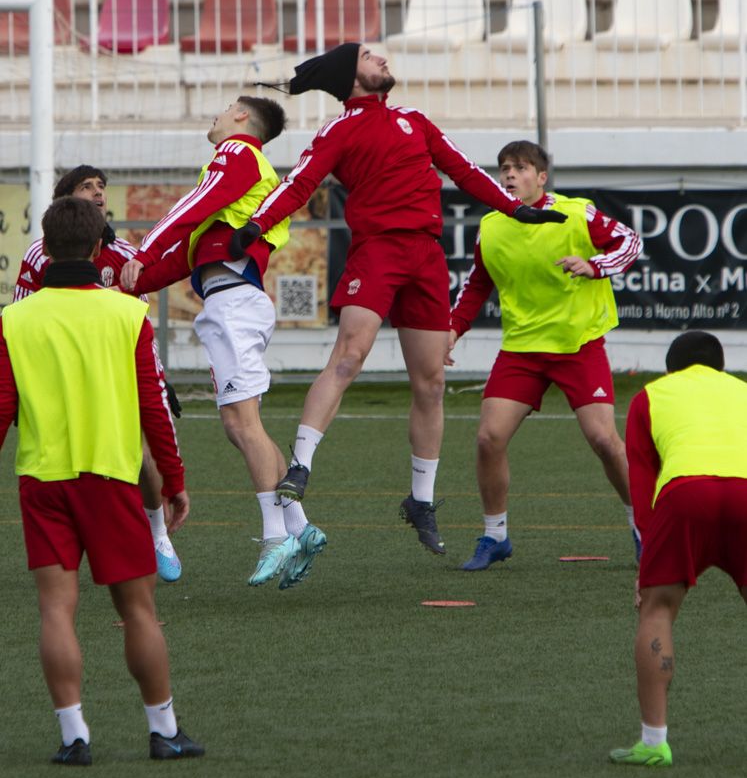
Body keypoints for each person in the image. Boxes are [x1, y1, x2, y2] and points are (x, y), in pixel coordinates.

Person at [228, 43, 566, 555]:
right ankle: (300, 465)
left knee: (431, 383)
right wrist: (255, 224)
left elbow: (465, 172)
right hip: (378, 253)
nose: (381, 58)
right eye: (368, 55)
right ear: (351, 75)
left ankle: (421, 501)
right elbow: (298, 186)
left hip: (425, 257)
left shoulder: (415, 120)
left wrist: (515, 210)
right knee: (349, 357)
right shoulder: (338, 130)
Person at [0, 196, 203, 765]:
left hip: (43, 481)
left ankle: (74, 738)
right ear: (97, 248)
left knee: (55, 611)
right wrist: (174, 479)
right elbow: (153, 406)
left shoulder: (14, 319)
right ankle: (163, 731)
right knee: (139, 611)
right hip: (112, 478)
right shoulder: (127, 314)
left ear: (44, 249)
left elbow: (0, 406)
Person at [119, 96, 326, 589]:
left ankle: (276, 536)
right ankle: (300, 526)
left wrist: (143, 252)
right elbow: (186, 256)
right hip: (234, 301)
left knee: (240, 423)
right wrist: (130, 280)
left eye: (225, 106)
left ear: (241, 118)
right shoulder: (247, 178)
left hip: (233, 303)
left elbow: (193, 208)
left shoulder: (236, 154)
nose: (214, 114)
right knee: (242, 425)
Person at [447, 140, 642, 570]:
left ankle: (641, 525)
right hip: (522, 350)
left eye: (519, 168)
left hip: (578, 345)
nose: (509, 175)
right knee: (488, 438)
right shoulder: (493, 225)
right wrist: (452, 330)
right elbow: (478, 284)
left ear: (541, 176)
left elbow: (630, 242)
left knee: (604, 441)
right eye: (503, 168)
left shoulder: (576, 212)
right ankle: (495, 535)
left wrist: (596, 266)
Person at [13, 164, 183, 583]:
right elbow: (19, 317)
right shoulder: (38, 257)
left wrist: (158, 378)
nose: (98, 193)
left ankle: (159, 534)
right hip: (59, 376)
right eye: (86, 186)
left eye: (101, 186)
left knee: (142, 457)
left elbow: (138, 326)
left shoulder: (127, 256)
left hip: (112, 375)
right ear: (64, 200)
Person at [610, 330, 747, 767]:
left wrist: (646, 562)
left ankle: (653, 742)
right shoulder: (742, 390)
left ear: (671, 368)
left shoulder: (650, 396)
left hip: (685, 496)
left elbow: (642, 482)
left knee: (658, 611)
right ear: (720, 368)